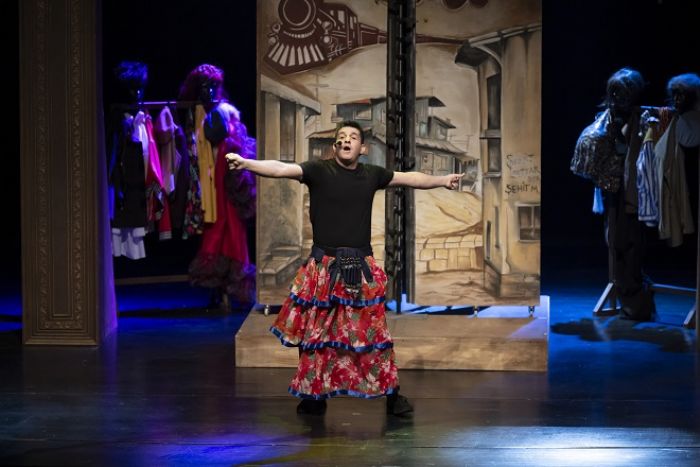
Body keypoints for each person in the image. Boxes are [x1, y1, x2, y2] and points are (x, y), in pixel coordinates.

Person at [226, 121, 463, 416]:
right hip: (323, 268)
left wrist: (442, 180)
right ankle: (314, 396)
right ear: (335, 146)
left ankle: (392, 395)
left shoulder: (371, 174)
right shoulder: (319, 171)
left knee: (372, 334)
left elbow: (409, 177)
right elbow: (281, 168)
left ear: (363, 148)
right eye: (341, 137)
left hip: (359, 267)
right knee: (314, 335)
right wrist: (246, 163)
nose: (346, 140)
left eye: (353, 137)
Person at [571, 68, 655, 321]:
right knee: (618, 242)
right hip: (616, 191)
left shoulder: (643, 119)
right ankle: (634, 298)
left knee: (630, 243)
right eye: (614, 92)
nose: (618, 98)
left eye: (623, 92)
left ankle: (637, 300)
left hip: (637, 190)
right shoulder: (607, 121)